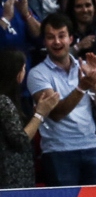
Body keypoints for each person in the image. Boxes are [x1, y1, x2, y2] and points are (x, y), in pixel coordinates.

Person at [26, 17, 96, 185]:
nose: (57, 42)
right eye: (51, 37)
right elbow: (56, 113)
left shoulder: (85, 67)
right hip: (58, 152)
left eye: (62, 36)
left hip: (92, 147)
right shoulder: (37, 74)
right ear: (44, 41)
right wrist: (81, 87)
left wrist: (94, 82)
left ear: (71, 39)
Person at [0, 49, 59, 188]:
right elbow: (20, 140)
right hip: (10, 179)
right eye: (24, 68)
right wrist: (40, 114)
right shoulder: (4, 102)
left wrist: (35, 116)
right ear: (17, 74)